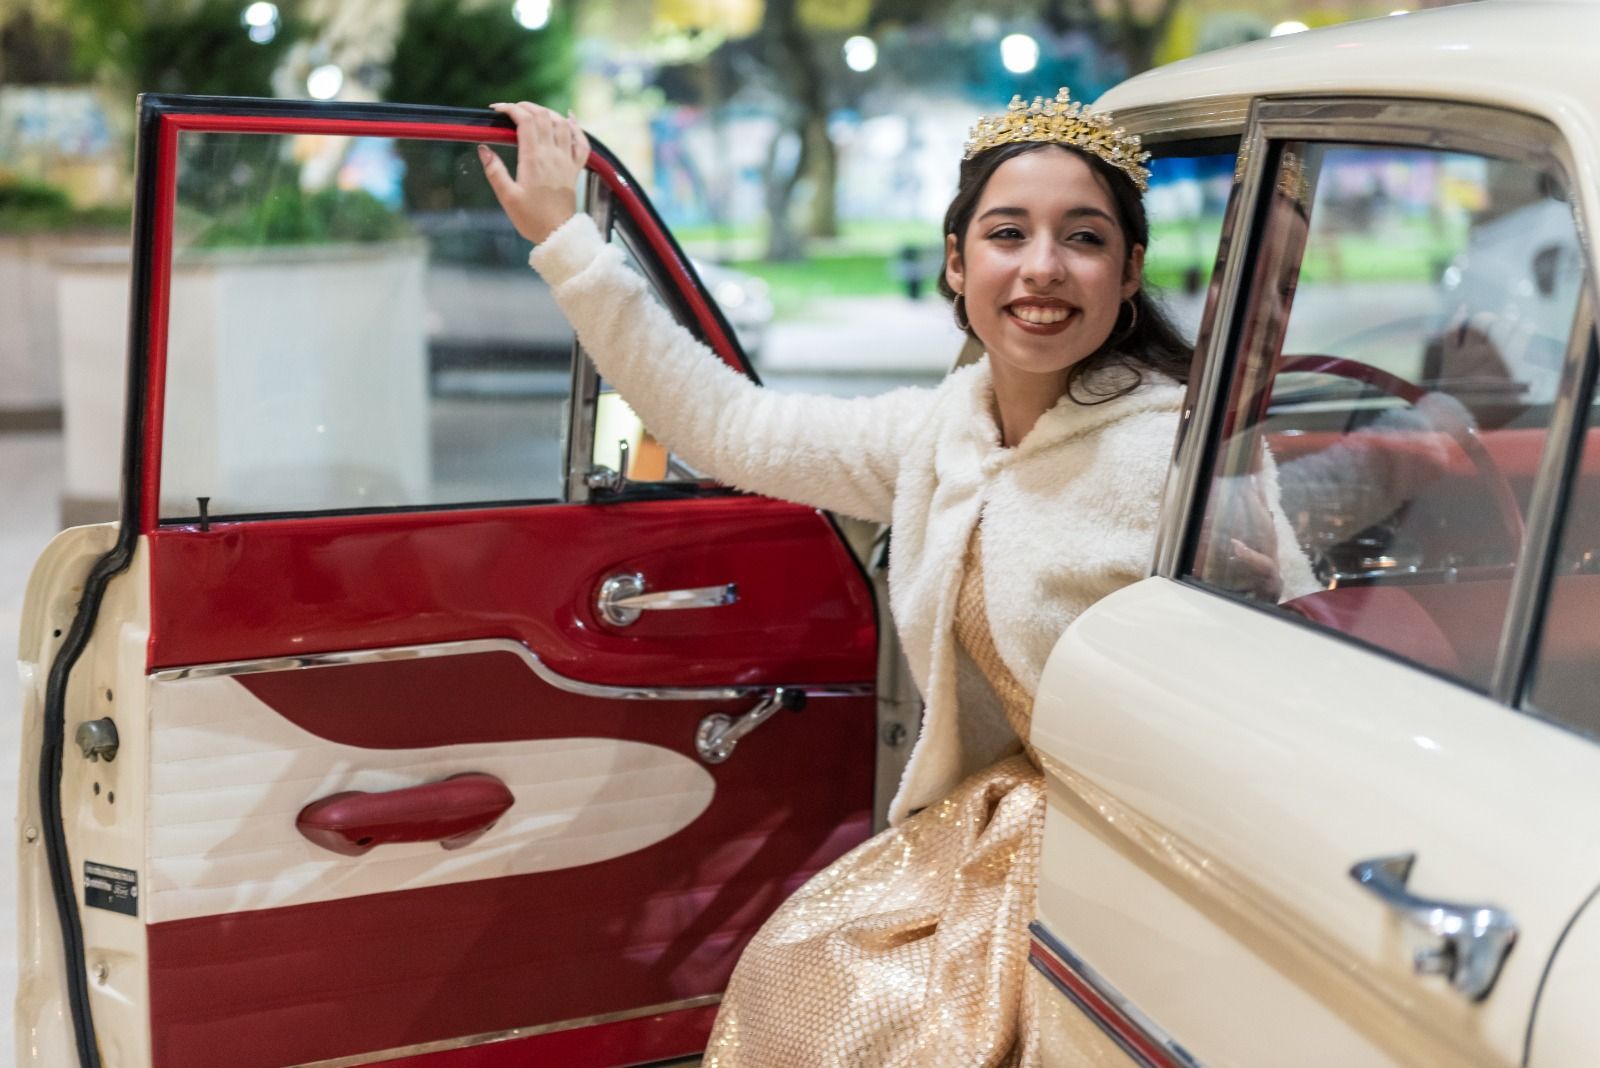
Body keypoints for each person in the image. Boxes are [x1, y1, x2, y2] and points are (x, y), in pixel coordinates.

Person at [480, 90, 1309, 1066]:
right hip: (983, 829)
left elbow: (1289, 667)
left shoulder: (1182, 451)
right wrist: (566, 237)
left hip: (1142, 856)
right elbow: (722, 426)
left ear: (1126, 272)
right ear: (958, 264)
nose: (1042, 266)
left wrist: (1259, 602)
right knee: (793, 973)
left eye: (1081, 238)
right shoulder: (934, 433)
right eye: (1009, 233)